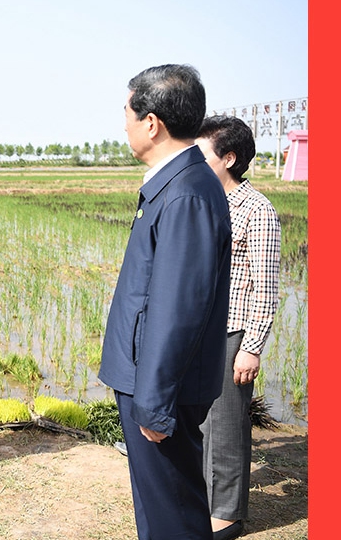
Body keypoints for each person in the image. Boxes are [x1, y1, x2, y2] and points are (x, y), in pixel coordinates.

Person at [97, 64, 232, 539]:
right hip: (147, 378)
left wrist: (155, 404)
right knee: (159, 507)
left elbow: (179, 310)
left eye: (128, 115)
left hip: (157, 388)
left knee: (172, 511)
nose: (125, 127)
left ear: (151, 123)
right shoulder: (177, 185)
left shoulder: (186, 194)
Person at [196, 115, 282, 540]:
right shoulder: (207, 199)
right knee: (200, 422)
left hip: (233, 333)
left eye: (203, 153)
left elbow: (265, 287)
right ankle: (203, 499)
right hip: (200, 330)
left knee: (227, 427)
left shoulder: (258, 210)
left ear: (229, 158)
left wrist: (252, 347)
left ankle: (227, 514)